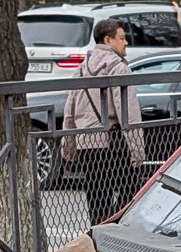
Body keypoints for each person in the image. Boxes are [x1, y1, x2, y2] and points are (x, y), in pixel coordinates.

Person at [62, 18, 146, 224]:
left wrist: (68, 146)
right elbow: (128, 112)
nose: (126, 43)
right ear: (108, 40)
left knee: (97, 198)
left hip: (87, 144)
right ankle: (117, 236)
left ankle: (99, 239)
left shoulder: (81, 70)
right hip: (112, 143)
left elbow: (70, 111)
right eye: (122, 38)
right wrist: (137, 149)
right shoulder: (118, 68)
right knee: (131, 193)